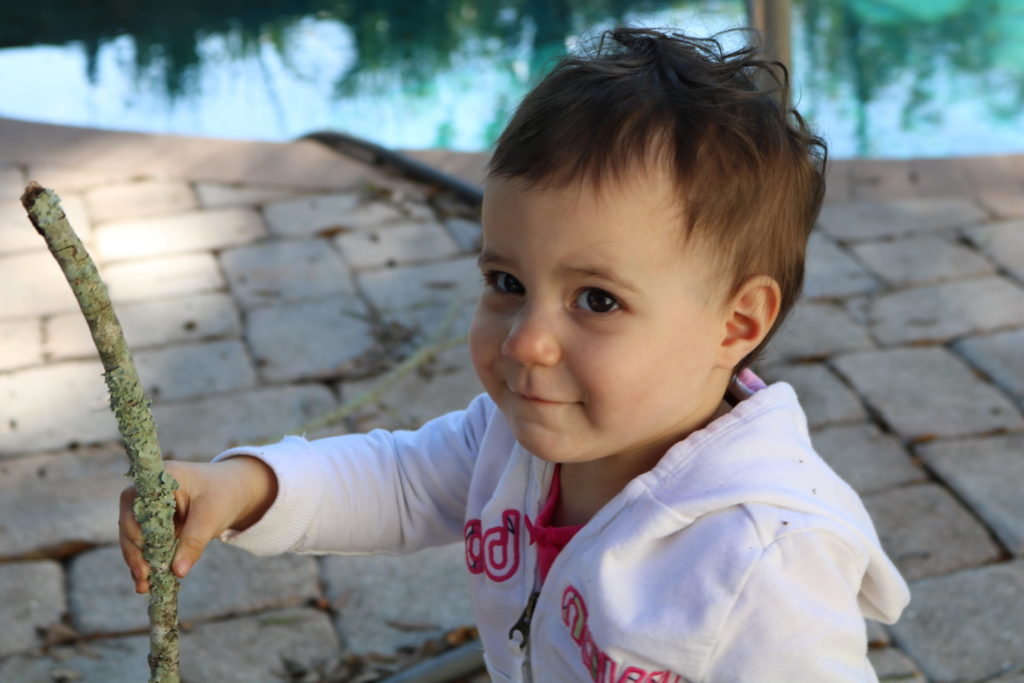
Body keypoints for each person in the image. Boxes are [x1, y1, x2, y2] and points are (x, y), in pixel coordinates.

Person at [120, 28, 909, 681]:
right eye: (506, 280)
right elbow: (399, 481)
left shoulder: (757, 563)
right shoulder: (515, 440)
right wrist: (244, 484)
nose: (526, 340)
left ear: (736, 324)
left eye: (596, 299)